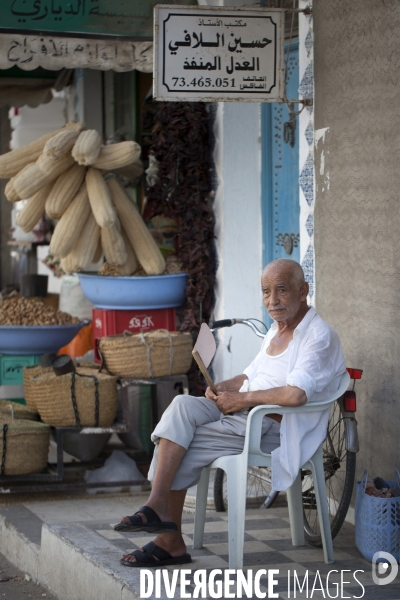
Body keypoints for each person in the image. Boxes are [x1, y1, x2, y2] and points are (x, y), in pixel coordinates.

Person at [115, 258, 346, 567]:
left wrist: (241, 401)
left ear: (303, 290)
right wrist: (222, 386)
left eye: (281, 290)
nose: (272, 301)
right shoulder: (275, 332)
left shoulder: (317, 335)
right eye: (266, 291)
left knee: (176, 444)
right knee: (182, 407)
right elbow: (248, 377)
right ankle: (159, 512)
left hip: (270, 427)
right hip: (243, 416)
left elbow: (296, 394)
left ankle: (168, 538)